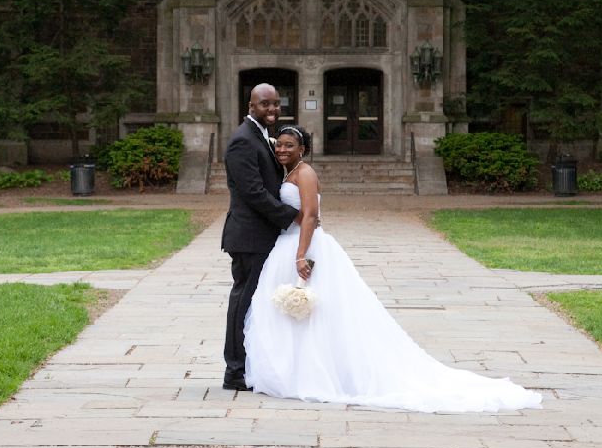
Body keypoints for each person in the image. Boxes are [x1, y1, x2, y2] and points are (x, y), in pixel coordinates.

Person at [244, 125, 543, 413]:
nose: (282, 149)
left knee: (317, 313)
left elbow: (310, 215)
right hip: (289, 243)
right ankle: (294, 371)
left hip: (303, 247)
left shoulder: (305, 173)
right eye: (279, 145)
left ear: (303, 149)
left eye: (289, 145)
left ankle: (312, 374)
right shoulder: (292, 172)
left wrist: (300, 255)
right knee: (296, 315)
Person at [221, 83, 299, 391]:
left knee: (254, 302)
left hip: (262, 235)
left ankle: (250, 365)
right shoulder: (243, 141)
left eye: (277, 104)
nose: (272, 109)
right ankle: (235, 371)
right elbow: (252, 192)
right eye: (265, 104)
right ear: (251, 105)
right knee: (243, 301)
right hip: (248, 236)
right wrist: (291, 217)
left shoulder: (261, 137)